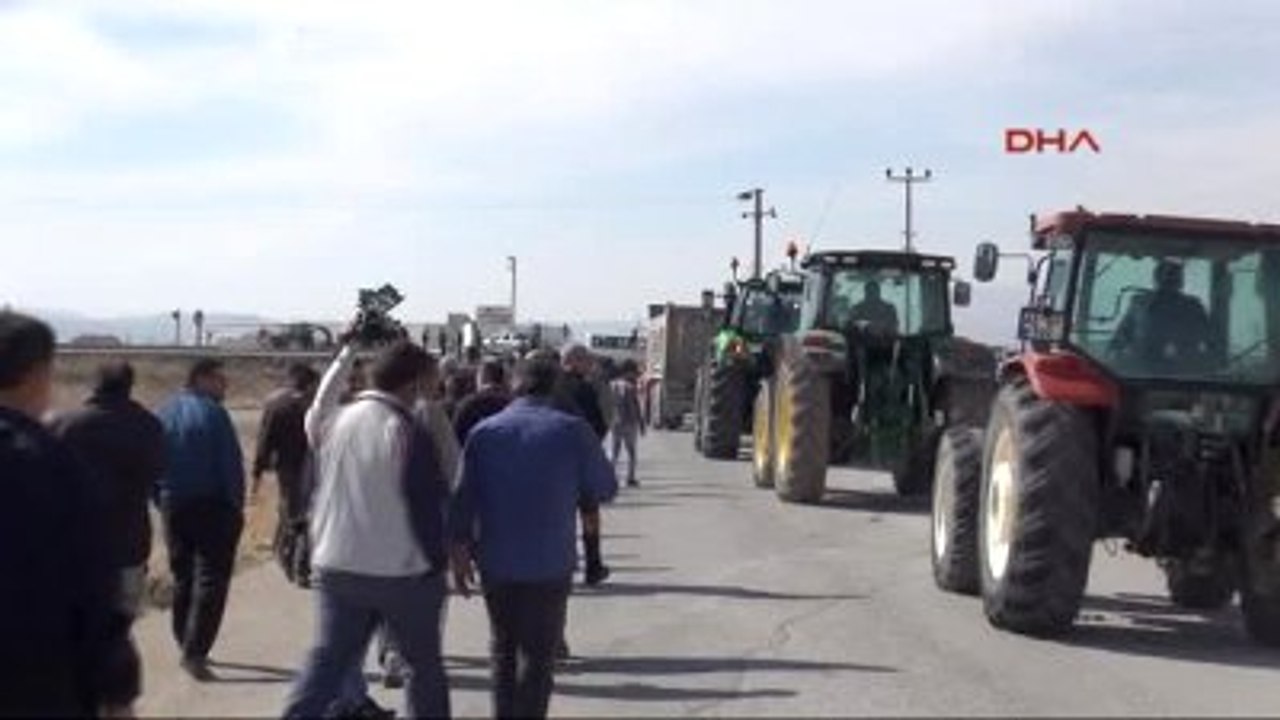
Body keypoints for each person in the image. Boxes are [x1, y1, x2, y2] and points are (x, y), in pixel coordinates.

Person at [284, 340, 451, 719]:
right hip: (401, 572)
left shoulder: (332, 421)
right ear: (411, 384)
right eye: (428, 382)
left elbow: (321, 402)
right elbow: (427, 506)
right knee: (422, 666)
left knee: (327, 661)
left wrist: (346, 352)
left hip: (334, 566)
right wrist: (438, 562)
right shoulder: (406, 431)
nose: (430, 391)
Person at [449, 352, 618, 719]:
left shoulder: (485, 432)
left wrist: (459, 552)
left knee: (503, 651)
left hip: (496, 562)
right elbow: (605, 488)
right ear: (555, 386)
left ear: (515, 385)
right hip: (549, 565)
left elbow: (462, 499)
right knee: (539, 659)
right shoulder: (573, 431)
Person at [0, 313, 141, 717]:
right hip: (34, 682)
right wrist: (118, 689)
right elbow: (91, 585)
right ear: (38, 373)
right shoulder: (48, 464)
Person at [50, 360, 166, 627]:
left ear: (95, 385)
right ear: (130, 386)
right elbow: (158, 474)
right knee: (119, 627)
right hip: (129, 543)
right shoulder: (147, 425)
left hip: (75, 546)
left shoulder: (64, 424)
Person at [155, 357, 247, 682]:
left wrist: (160, 499)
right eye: (221, 379)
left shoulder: (162, 413)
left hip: (173, 504)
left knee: (184, 576)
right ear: (202, 379)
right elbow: (230, 464)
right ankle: (195, 652)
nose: (225, 385)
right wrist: (236, 507)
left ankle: (186, 640)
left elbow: (152, 462)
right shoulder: (214, 414)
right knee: (211, 579)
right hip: (213, 506)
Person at [252, 362, 320, 586]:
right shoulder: (313, 406)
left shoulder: (276, 404)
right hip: (306, 465)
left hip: (286, 467)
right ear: (310, 384)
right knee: (301, 516)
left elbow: (265, 440)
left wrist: (258, 471)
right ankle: (296, 563)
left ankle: (283, 553)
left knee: (290, 511)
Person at [555, 344, 611, 587]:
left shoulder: (548, 388)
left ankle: (558, 566)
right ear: (574, 361)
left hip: (552, 462)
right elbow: (598, 424)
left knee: (558, 515)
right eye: (586, 360)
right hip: (579, 462)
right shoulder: (584, 389)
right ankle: (593, 565)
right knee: (589, 514)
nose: (590, 365)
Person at [1110, 259, 1216, 370]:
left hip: (1183, 373)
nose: (1169, 281)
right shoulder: (1140, 304)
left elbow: (1210, 340)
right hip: (1141, 371)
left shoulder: (1192, 307)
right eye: (1166, 277)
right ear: (1157, 279)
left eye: (1172, 278)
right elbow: (1121, 337)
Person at [453, 358, 513, 444]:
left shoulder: (468, 404)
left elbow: (456, 437)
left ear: (484, 376)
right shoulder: (512, 403)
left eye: (477, 375)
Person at [608, 359, 646, 488]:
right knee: (631, 453)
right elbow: (635, 407)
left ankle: (610, 477)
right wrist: (641, 424)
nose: (635, 375)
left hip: (615, 422)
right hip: (629, 423)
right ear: (628, 372)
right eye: (634, 372)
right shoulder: (630, 387)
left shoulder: (611, 385)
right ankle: (630, 478)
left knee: (615, 452)